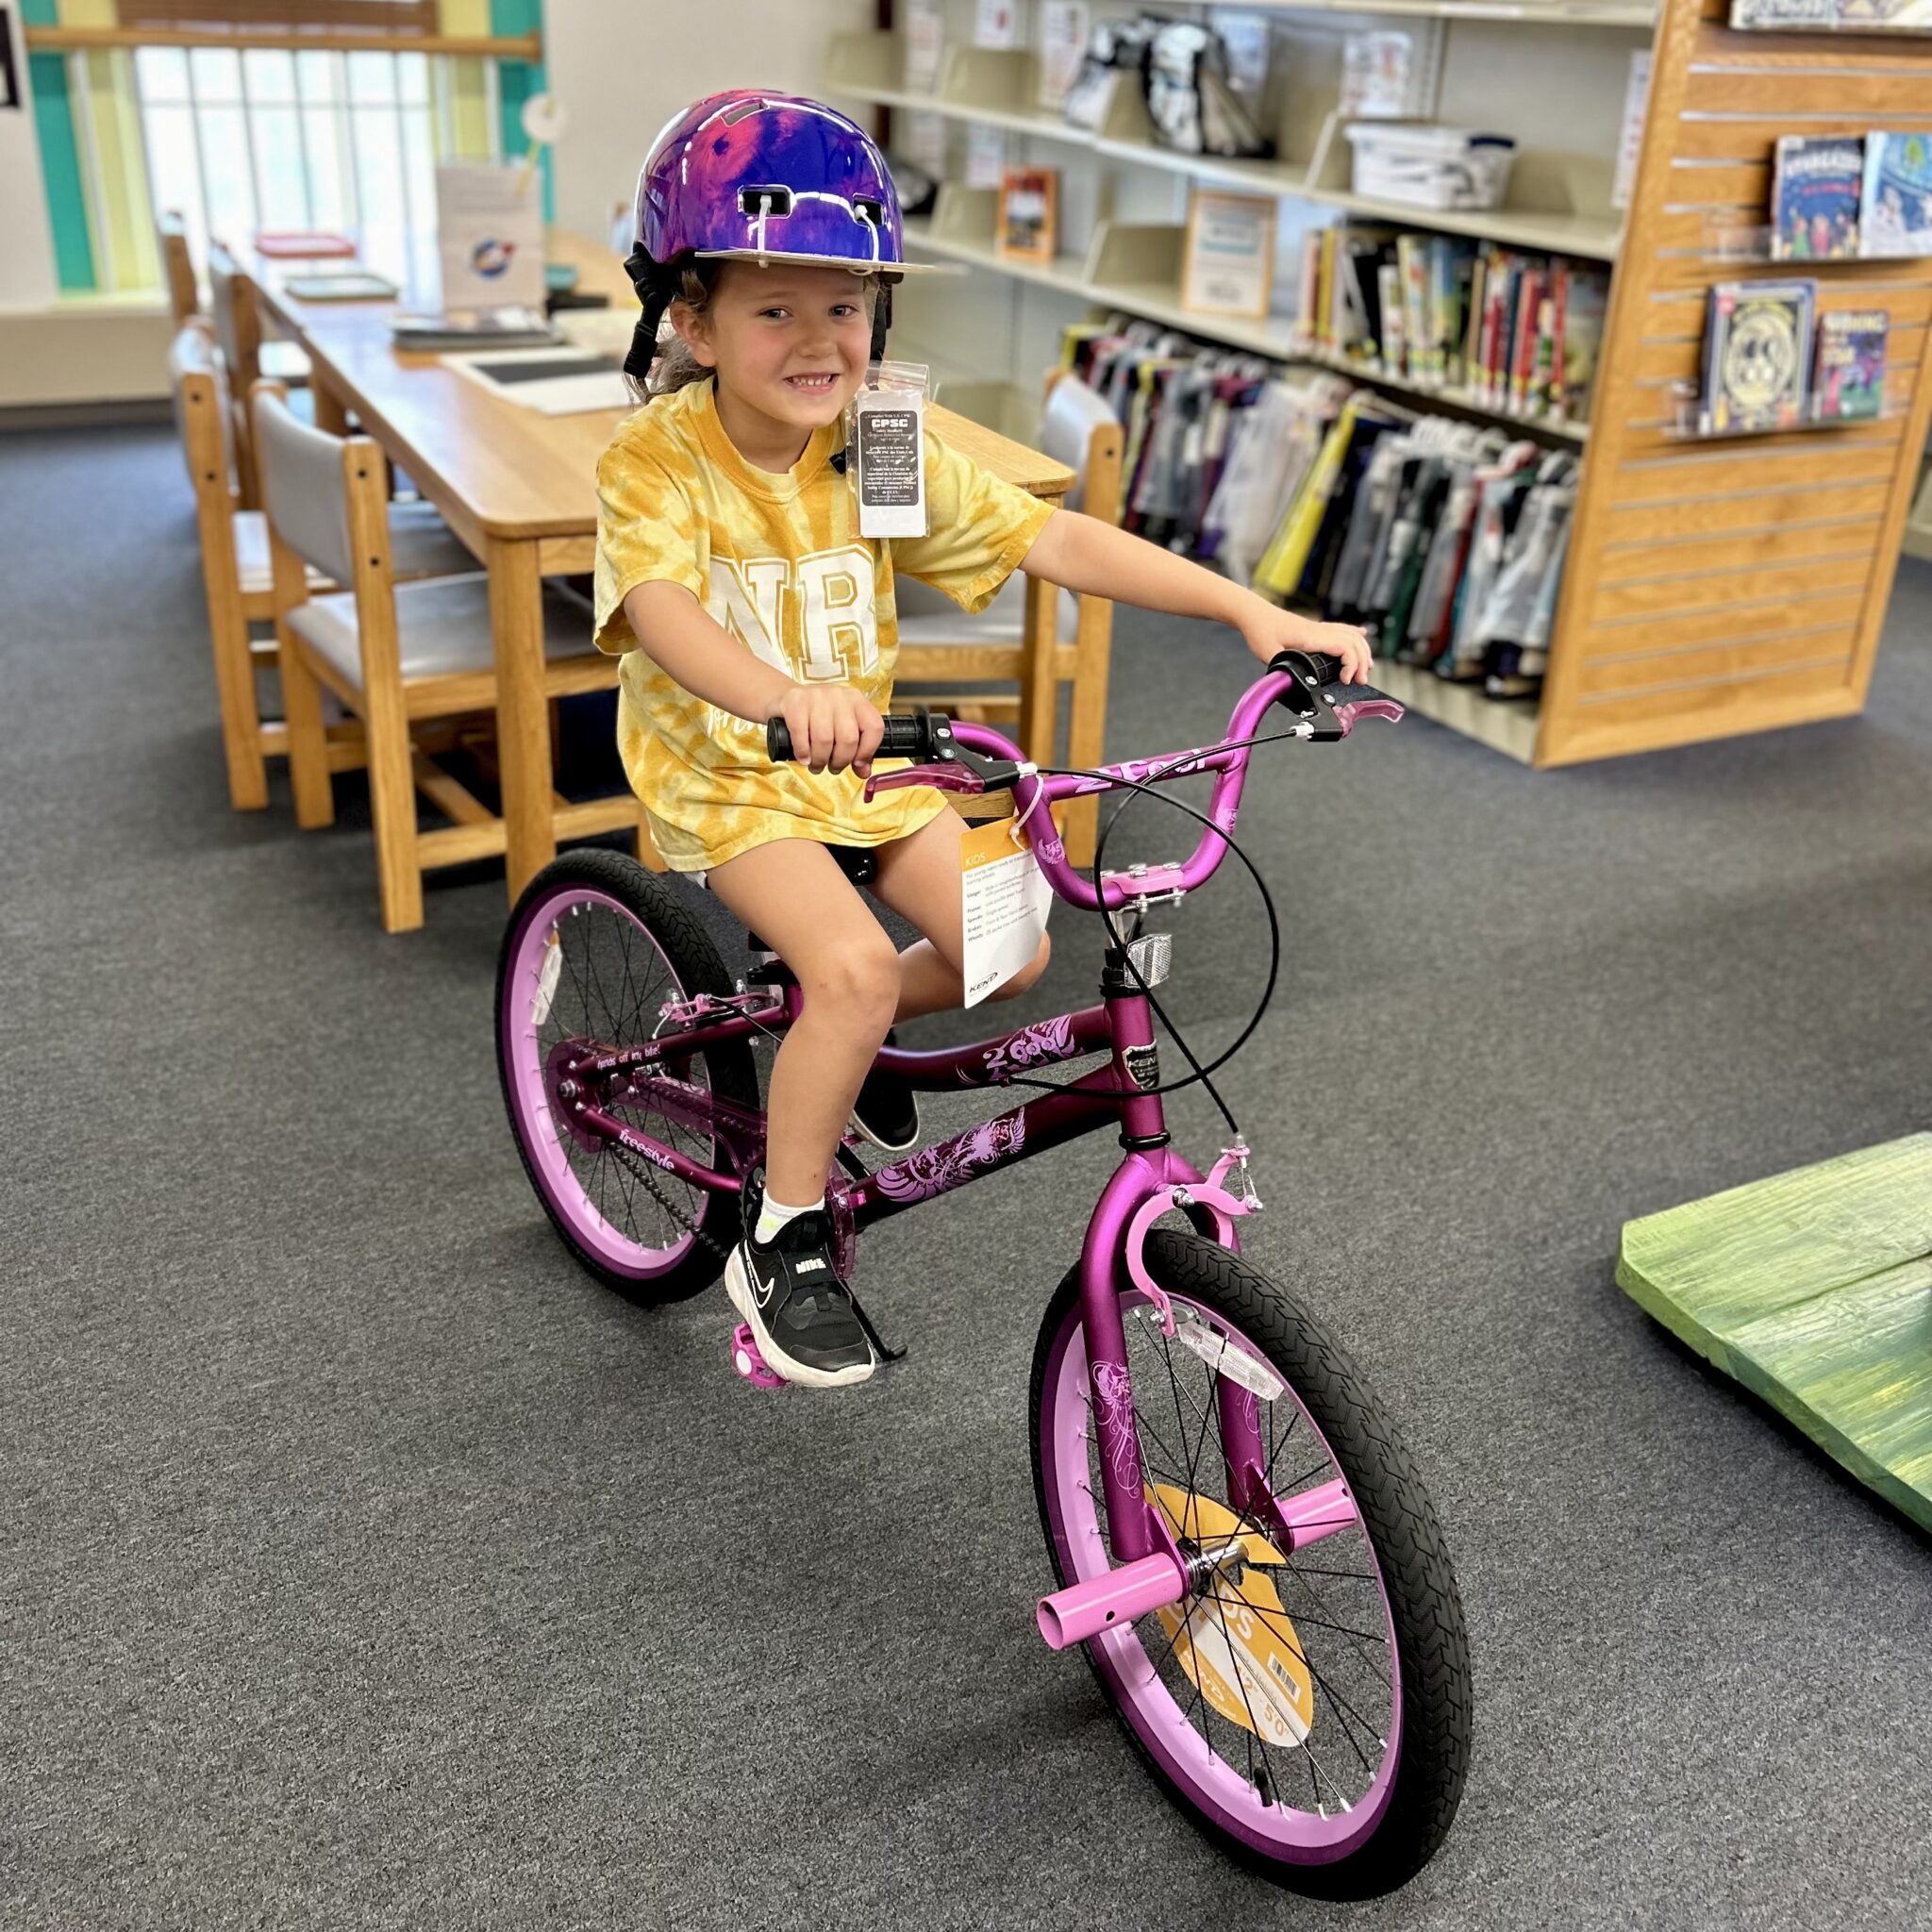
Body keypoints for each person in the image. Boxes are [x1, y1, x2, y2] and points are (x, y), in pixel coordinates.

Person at [593, 90, 1371, 1391]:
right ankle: (778, 1239)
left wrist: (1249, 605)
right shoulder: (657, 460)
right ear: (691, 315)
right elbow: (664, 610)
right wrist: (776, 695)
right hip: (728, 772)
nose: (817, 339)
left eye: (844, 305)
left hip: (869, 764)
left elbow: (1048, 537)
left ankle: (832, 1056)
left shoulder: (876, 440)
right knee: (844, 971)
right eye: (773, 307)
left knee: (1008, 946)